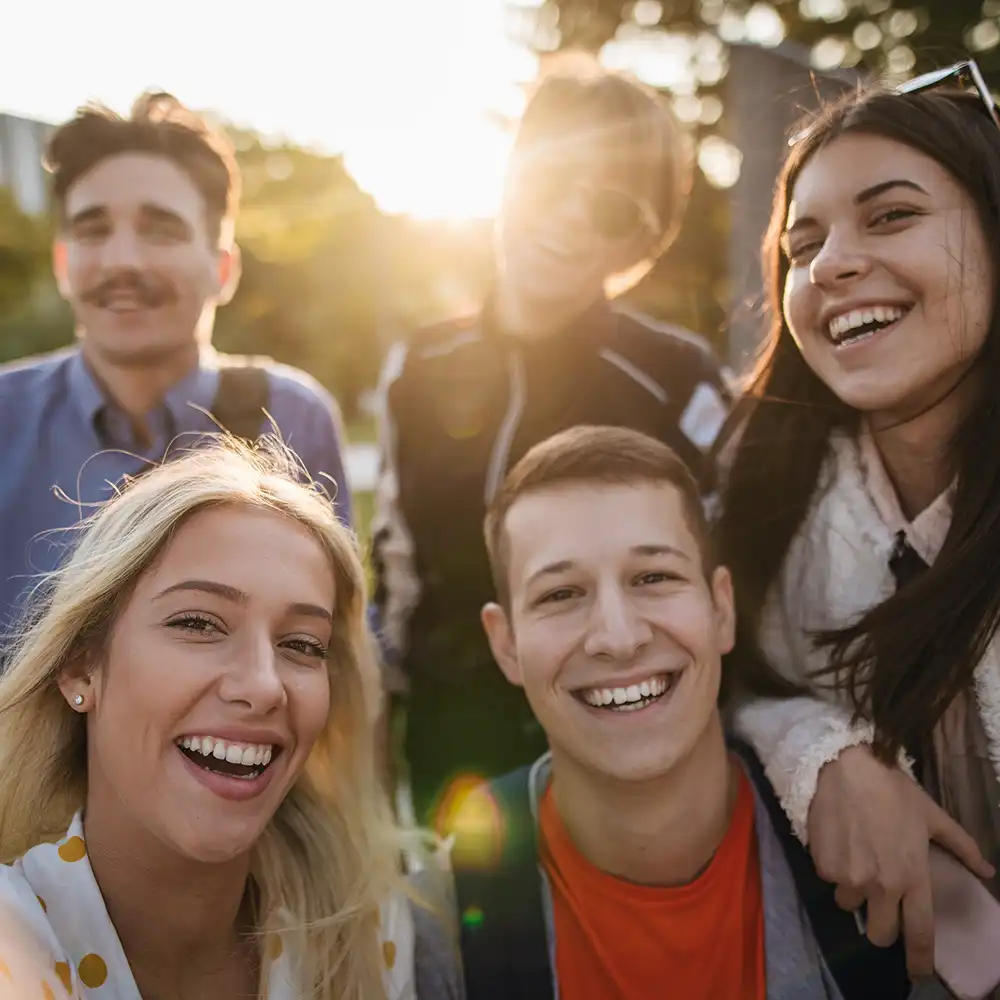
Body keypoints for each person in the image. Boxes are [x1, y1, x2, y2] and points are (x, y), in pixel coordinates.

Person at [372, 57, 731, 824]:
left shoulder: (678, 379)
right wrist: (374, 716)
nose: (569, 217)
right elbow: (397, 564)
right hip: (454, 751)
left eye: (607, 209)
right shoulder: (419, 365)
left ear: (643, 240)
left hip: (630, 749)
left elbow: (734, 573)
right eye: (552, 180)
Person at [449, 425, 917, 1000]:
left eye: (654, 577)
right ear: (506, 645)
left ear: (722, 610)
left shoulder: (876, 865)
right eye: (560, 594)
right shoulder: (440, 932)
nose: (618, 638)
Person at [715, 61, 1000, 982]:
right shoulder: (769, 502)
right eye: (802, 247)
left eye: (892, 216)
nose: (831, 264)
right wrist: (822, 755)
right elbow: (736, 685)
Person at [0, 439, 460, 1000]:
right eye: (198, 624)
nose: (264, 686)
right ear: (80, 667)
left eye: (302, 644)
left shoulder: (376, 937)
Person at [0, 92, 352, 639]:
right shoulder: (5, 418)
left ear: (222, 268)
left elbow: (336, 646)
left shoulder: (291, 419)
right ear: (64, 264)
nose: (122, 260)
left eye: (161, 228)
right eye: (93, 229)